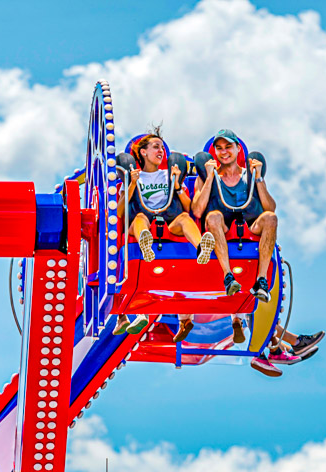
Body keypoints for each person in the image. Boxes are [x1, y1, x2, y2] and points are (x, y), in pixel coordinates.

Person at [113, 127, 215, 337]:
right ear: (143, 152)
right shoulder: (135, 177)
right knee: (140, 219)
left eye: (161, 147)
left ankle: (201, 249)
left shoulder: (168, 174)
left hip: (169, 222)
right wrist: (131, 184)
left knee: (185, 219)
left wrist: (177, 185)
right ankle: (144, 243)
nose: (160, 151)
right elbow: (121, 213)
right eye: (155, 147)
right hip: (142, 222)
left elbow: (188, 208)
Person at [191, 129, 276, 302]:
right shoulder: (207, 176)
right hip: (223, 226)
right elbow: (198, 210)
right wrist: (209, 178)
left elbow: (271, 208)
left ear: (238, 149)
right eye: (220, 148)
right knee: (213, 216)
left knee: (270, 218)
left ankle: (261, 280)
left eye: (228, 147)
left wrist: (258, 178)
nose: (224, 152)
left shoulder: (249, 174)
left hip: (250, 225)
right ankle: (228, 276)